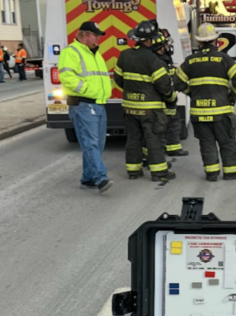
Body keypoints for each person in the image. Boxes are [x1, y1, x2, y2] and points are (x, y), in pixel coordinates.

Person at [175, 23, 236, 181]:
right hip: (221, 112)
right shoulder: (224, 59)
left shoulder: (190, 61)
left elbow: (177, 82)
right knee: (227, 142)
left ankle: (212, 173)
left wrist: (191, 93)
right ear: (216, 40)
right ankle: (231, 172)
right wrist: (232, 95)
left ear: (199, 42)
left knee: (206, 143)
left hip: (199, 114)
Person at [115, 21, 176, 184]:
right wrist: (170, 98)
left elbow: (118, 79)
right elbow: (163, 85)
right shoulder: (152, 59)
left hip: (129, 108)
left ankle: (133, 171)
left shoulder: (124, 55)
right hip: (150, 109)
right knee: (153, 139)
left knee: (134, 139)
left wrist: (131, 92)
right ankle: (159, 173)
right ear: (149, 40)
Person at [58, 22, 112, 193]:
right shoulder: (71, 52)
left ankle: (88, 178)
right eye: (95, 35)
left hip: (98, 103)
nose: (98, 38)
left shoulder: (94, 53)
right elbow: (67, 77)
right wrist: (88, 91)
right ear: (84, 35)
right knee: (91, 143)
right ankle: (100, 178)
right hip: (83, 104)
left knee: (98, 144)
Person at [154, 28, 188, 157]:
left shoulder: (164, 57)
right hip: (164, 99)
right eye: (167, 44)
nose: (169, 46)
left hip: (168, 97)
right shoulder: (158, 59)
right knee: (167, 123)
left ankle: (173, 146)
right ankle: (169, 148)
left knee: (173, 121)